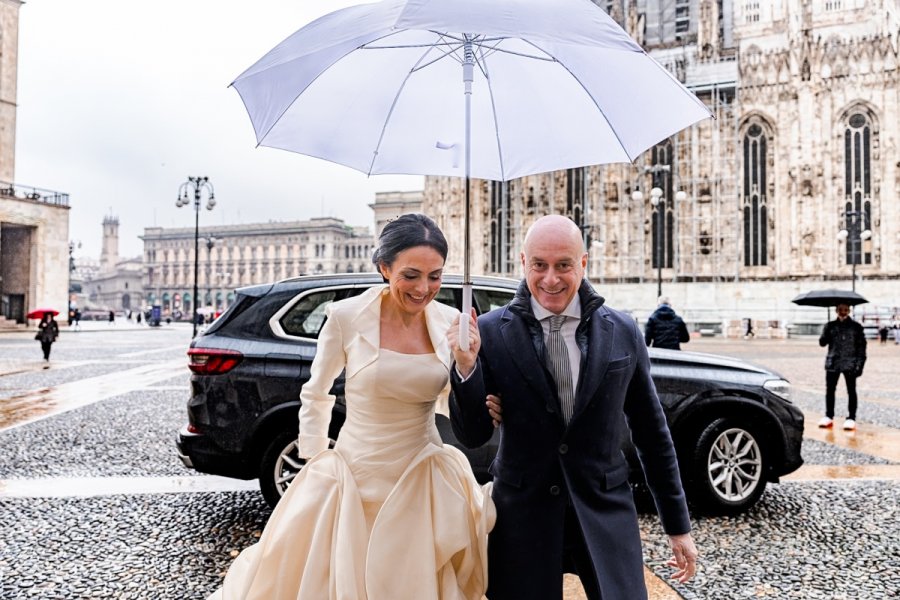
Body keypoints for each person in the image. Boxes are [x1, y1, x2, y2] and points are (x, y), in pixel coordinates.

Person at [209, 214, 494, 600]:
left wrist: (466, 363)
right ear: (384, 267)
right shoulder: (346, 317)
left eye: (435, 276)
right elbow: (316, 392)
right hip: (355, 477)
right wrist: (316, 460)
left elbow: (459, 405)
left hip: (423, 476)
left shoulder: (452, 322)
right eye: (411, 275)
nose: (424, 288)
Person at [448, 215, 697, 600]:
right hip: (522, 515)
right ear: (523, 262)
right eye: (539, 266)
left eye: (563, 265)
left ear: (583, 263)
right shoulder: (493, 332)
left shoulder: (623, 329)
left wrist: (677, 525)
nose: (550, 279)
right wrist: (466, 368)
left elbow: (651, 432)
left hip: (604, 507)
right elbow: (473, 433)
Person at [818, 303, 867, 431]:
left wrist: (860, 365)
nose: (843, 312)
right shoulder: (830, 326)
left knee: (851, 390)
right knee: (830, 390)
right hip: (833, 362)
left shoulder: (856, 327)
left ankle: (851, 417)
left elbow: (862, 348)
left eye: (845, 310)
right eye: (840, 310)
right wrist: (826, 331)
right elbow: (822, 343)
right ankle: (829, 415)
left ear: (849, 310)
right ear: (836, 310)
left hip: (850, 363)